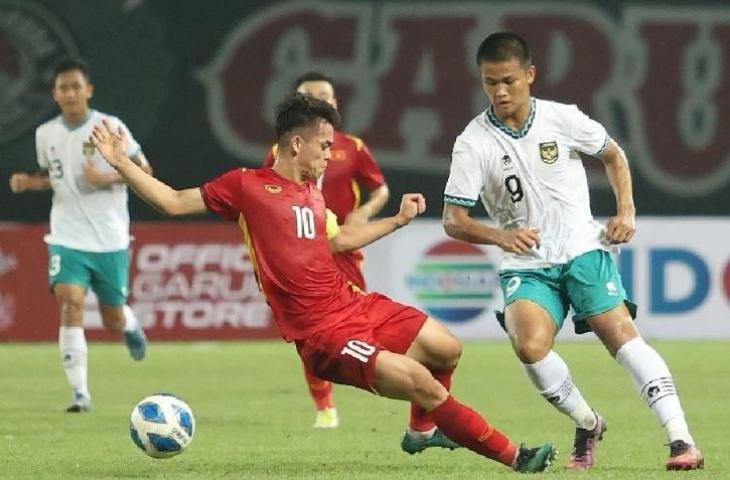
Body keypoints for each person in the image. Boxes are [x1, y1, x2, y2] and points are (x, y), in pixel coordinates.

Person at [89, 93, 557, 473]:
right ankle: (516, 457)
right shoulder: (246, 186)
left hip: (355, 304)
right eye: (324, 146)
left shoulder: (312, 194)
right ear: (296, 144)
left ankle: (421, 433)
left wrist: (396, 220)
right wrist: (120, 163)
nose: (331, 155)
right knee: (420, 381)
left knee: (446, 349)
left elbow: (340, 239)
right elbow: (171, 202)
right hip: (323, 335)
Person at [442, 32, 703, 471]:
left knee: (618, 333)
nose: (500, 91)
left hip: (582, 248)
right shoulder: (474, 142)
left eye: (508, 80)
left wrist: (627, 212)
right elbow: (454, 219)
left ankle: (681, 440)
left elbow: (614, 156)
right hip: (526, 261)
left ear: (530, 74)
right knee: (528, 346)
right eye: (490, 83)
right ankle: (587, 421)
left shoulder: (562, 119)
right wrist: (501, 237)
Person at [8, 58, 150, 413]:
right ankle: (81, 393)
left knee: (111, 317)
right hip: (66, 234)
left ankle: (129, 325)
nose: (71, 93)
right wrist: (30, 183)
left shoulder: (110, 126)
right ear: (55, 94)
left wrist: (109, 177)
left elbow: (145, 170)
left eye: (76, 86)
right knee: (70, 302)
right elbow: (56, 178)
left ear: (89, 90)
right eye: (63, 88)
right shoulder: (46, 135)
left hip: (109, 236)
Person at [263, 71, 390, 428]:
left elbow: (380, 190)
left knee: (358, 319)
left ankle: (380, 375)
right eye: (310, 96)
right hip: (302, 248)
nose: (319, 102)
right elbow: (265, 197)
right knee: (311, 331)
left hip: (343, 247)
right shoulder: (278, 152)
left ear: (335, 103)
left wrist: (364, 211)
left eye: (325, 96)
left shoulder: (352, 147)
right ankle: (325, 407)